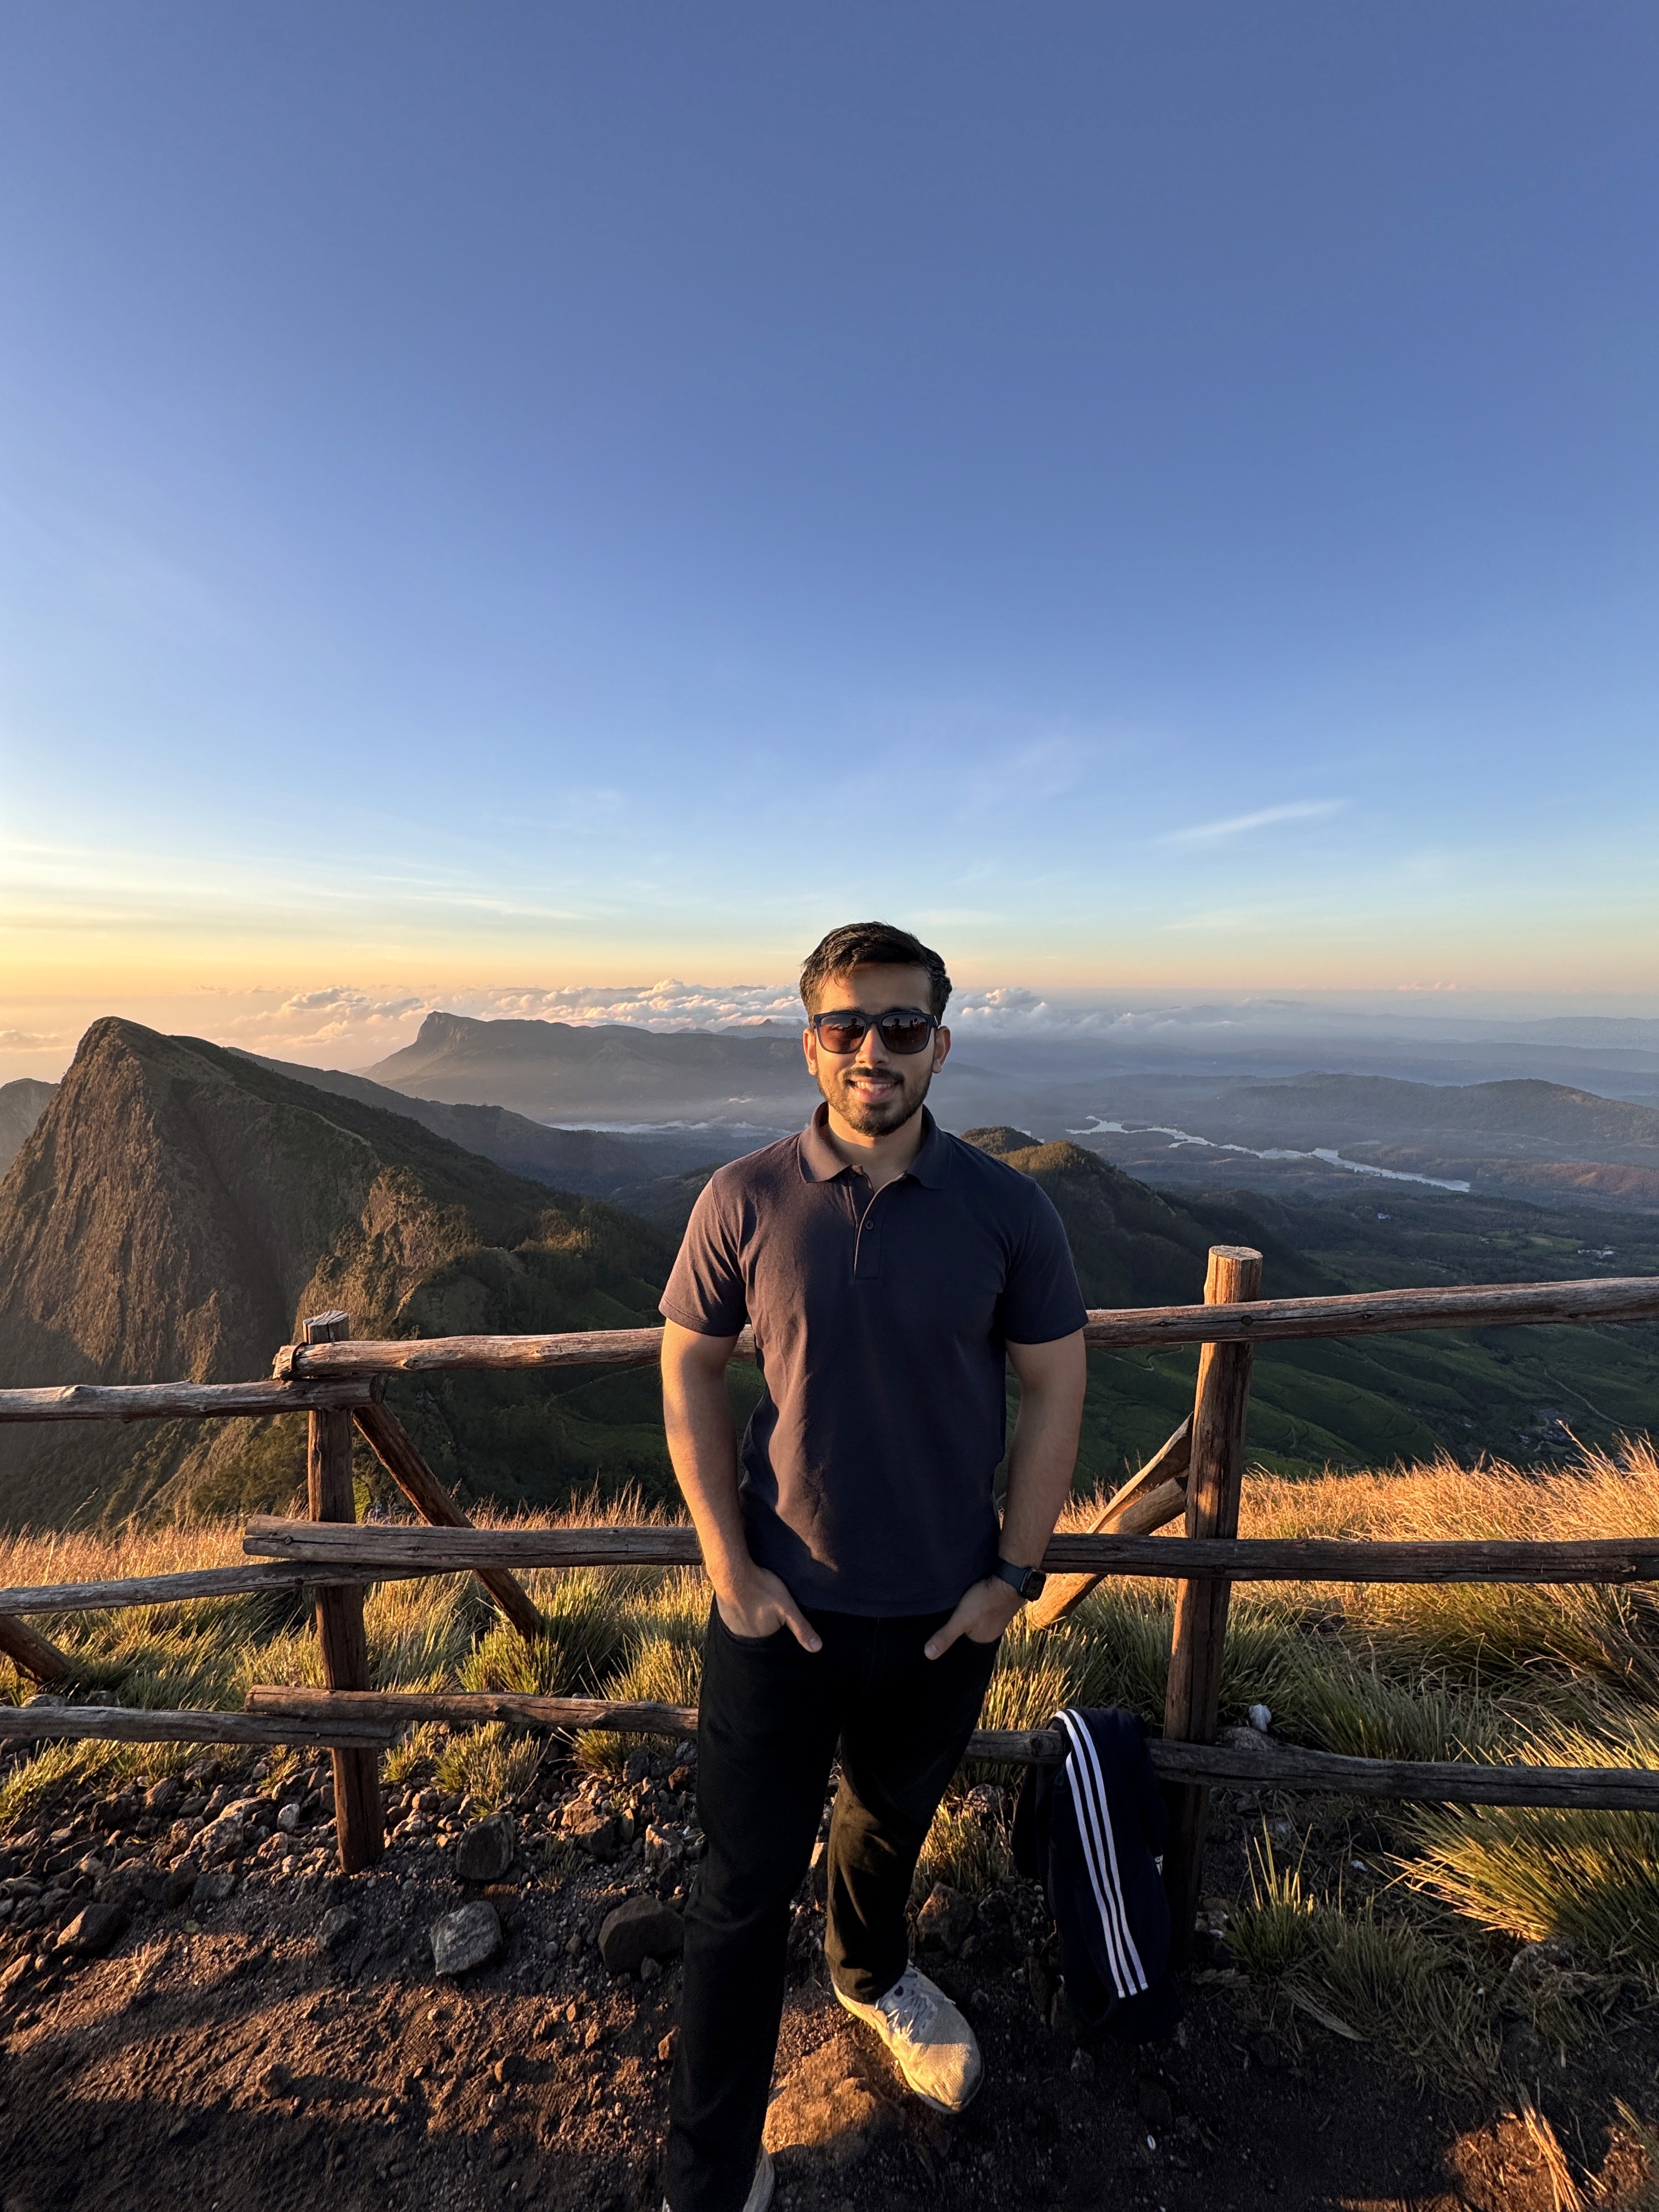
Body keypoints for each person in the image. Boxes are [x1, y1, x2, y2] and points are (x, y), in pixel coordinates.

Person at [658, 921, 1088, 2212]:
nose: (872, 1051)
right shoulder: (742, 1198)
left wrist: (1011, 1578)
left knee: (890, 1824)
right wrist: (728, 1567)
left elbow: (1056, 1388)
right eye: (845, 1026)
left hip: (939, 1615)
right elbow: (688, 1365)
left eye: (901, 1027)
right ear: (811, 1044)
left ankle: (869, 1974)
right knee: (738, 1894)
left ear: (940, 1046)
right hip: (773, 1611)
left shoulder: (1008, 1209)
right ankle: (710, 2174)